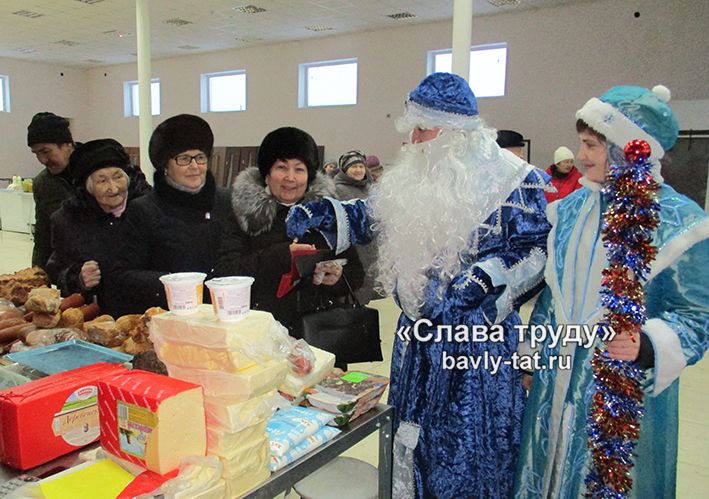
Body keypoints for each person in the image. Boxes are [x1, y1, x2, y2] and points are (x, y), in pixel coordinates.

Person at [287, 72, 551, 498]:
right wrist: (327, 215)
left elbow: (535, 253)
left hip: (474, 348)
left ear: (456, 134)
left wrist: (486, 280)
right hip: (416, 343)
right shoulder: (417, 174)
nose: (413, 138)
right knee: (413, 439)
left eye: (422, 128)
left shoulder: (515, 182)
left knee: (465, 451)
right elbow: (373, 215)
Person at [514, 85, 709, 498]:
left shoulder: (679, 222)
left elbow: (695, 316)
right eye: (583, 143)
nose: (581, 156)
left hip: (622, 391)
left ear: (629, 148)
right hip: (554, 378)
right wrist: (532, 357)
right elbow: (552, 299)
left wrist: (649, 343)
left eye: (593, 145)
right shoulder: (568, 211)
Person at [214, 127, 363, 341]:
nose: (290, 178)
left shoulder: (329, 215)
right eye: (281, 167)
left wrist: (337, 278)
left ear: (309, 176)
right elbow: (225, 272)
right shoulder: (245, 215)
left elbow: (356, 272)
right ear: (267, 175)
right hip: (262, 334)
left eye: (299, 169)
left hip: (321, 334)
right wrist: (283, 255)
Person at [107, 114, 231, 316]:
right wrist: (172, 282)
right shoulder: (144, 210)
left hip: (223, 313)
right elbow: (122, 274)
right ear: (165, 165)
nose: (194, 166)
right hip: (171, 316)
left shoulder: (226, 202)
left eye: (200, 157)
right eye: (183, 159)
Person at [46, 139, 150, 307]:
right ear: (88, 187)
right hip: (98, 314)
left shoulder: (150, 209)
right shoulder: (68, 220)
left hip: (151, 308)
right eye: (102, 181)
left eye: (118, 177)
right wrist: (77, 278)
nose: (114, 188)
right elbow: (56, 269)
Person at [27, 112, 76, 270]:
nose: (42, 160)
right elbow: (43, 235)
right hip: (69, 271)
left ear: (67, 144)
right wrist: (37, 275)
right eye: (36, 154)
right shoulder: (43, 183)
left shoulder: (100, 171)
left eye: (46, 152)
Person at [333, 150, 380, 303]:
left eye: (361, 166)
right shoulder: (337, 189)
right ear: (345, 169)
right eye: (354, 166)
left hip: (372, 246)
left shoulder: (370, 187)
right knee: (357, 285)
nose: (358, 170)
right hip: (353, 246)